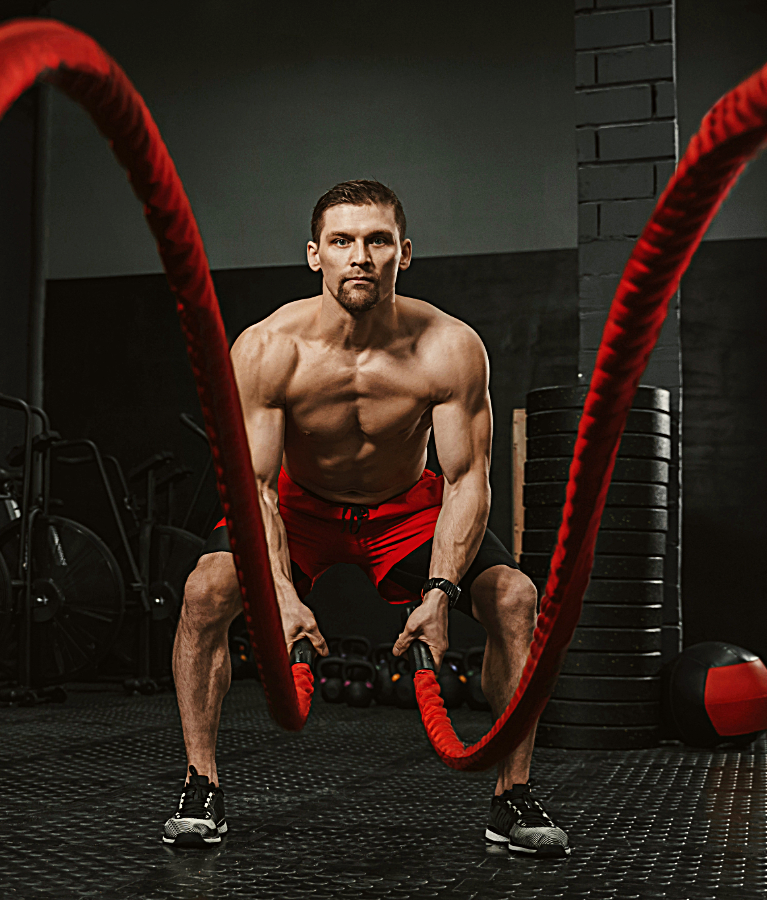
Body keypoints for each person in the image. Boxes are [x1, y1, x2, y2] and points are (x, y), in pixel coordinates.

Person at [161, 180, 569, 857]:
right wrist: (283, 597)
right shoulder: (266, 349)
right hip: (298, 508)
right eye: (343, 241)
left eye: (377, 241)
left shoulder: (448, 346)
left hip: (407, 510)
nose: (360, 256)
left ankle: (512, 797)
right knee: (205, 593)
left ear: (403, 254)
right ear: (314, 254)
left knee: (517, 600)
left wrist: (438, 594)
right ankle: (199, 784)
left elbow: (468, 481)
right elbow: (255, 486)